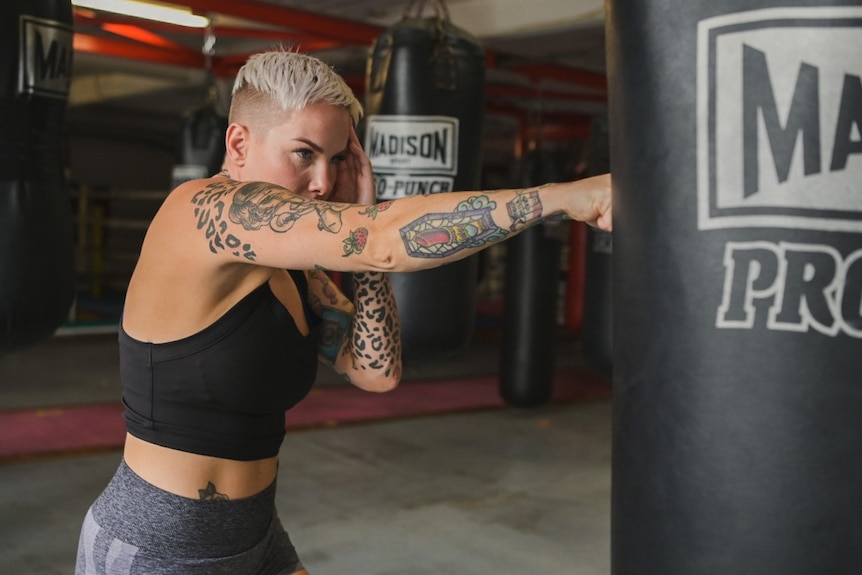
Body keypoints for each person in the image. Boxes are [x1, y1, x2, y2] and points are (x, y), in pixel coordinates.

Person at [75, 49, 612, 574]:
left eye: (335, 160)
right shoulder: (198, 212)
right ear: (238, 143)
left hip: (257, 535)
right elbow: (383, 239)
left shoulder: (293, 270)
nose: (323, 183)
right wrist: (564, 197)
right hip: (159, 549)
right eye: (304, 153)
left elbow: (376, 373)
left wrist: (365, 248)